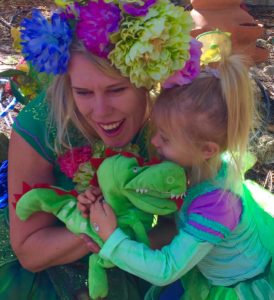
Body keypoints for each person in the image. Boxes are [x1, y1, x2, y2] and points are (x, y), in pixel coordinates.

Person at [0, 0, 195, 299]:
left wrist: (120, 241)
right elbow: (30, 252)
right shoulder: (38, 127)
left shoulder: (168, 123)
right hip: (46, 273)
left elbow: (181, 228)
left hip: (141, 259)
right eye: (83, 92)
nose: (101, 111)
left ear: (146, 81)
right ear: (67, 86)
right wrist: (99, 230)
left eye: (117, 89)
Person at [87, 48, 274, 298]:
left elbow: (166, 270)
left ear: (207, 149)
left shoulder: (217, 206)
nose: (154, 142)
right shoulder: (201, 167)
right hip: (208, 266)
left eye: (165, 137)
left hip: (234, 287)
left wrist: (111, 237)